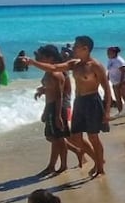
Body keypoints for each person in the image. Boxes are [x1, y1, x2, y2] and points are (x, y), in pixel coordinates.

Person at [23, 35, 111, 177]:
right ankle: (99, 160)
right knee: (75, 137)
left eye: (76, 46)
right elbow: (54, 67)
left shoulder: (95, 66)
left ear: (85, 48)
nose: (73, 47)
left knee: (93, 137)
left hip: (92, 101)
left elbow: (107, 89)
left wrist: (107, 112)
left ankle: (100, 168)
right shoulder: (74, 64)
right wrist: (33, 63)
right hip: (79, 102)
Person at [33, 44, 83, 176]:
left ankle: (63, 164)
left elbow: (60, 95)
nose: (40, 59)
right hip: (51, 105)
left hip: (58, 106)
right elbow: (52, 88)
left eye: (42, 57)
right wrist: (43, 91)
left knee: (58, 137)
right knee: (55, 137)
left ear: (50, 57)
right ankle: (71, 154)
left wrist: (57, 116)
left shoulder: (57, 72)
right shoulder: (50, 71)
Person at [105, 46, 125, 116]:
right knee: (117, 98)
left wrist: (121, 83)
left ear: (114, 53)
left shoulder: (119, 61)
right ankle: (120, 112)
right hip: (115, 83)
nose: (107, 54)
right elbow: (109, 71)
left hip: (123, 82)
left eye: (108, 52)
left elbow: (123, 72)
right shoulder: (110, 60)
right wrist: (107, 79)